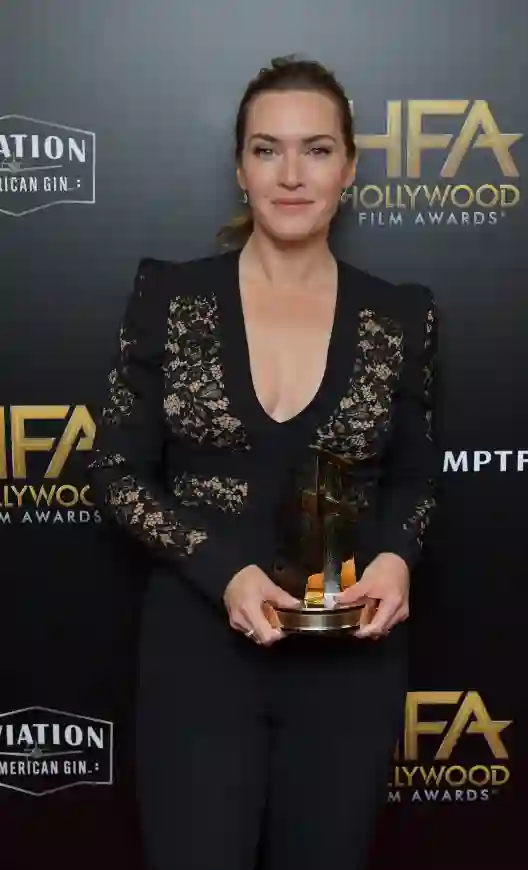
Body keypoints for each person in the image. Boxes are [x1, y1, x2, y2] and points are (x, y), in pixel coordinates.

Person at [87, 54, 440, 870]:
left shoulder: (402, 315)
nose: (291, 174)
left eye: (316, 149)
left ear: (350, 167)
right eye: (266, 148)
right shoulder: (170, 299)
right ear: (239, 169)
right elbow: (114, 468)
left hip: (350, 667)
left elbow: (417, 475)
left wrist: (396, 557)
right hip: (199, 658)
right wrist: (224, 572)